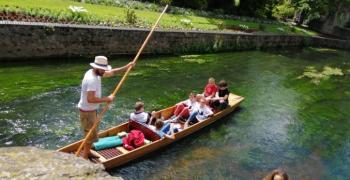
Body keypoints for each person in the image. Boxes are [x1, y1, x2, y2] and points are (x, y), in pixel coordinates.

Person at [78, 55, 134, 160]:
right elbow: (90, 99)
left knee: (91, 133)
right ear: (97, 68)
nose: (104, 71)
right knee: (90, 136)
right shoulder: (92, 79)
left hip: (90, 110)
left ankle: (88, 152)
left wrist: (125, 68)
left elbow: (110, 72)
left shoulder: (93, 72)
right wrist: (107, 99)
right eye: (103, 70)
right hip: (87, 111)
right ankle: (84, 158)